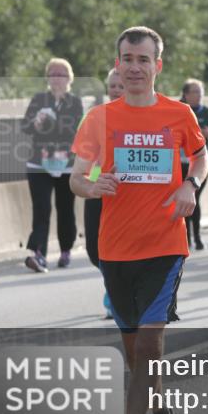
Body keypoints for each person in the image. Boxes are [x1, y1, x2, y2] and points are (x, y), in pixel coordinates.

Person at [70, 26, 208, 414]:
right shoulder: (99, 118)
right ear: (117, 64)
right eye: (127, 58)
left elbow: (201, 156)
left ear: (157, 66)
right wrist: (96, 184)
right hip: (115, 248)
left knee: (150, 341)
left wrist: (190, 183)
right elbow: (78, 177)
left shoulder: (179, 113)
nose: (134, 67)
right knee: (135, 352)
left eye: (143, 59)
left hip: (166, 244)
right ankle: (164, 413)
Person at [22, 57, 84, 272]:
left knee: (65, 209)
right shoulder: (39, 99)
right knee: (42, 208)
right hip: (39, 164)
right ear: (47, 78)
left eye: (61, 74)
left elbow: (77, 131)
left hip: (66, 164)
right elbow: (25, 127)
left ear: (70, 78)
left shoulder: (75, 103)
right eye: (53, 74)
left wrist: (55, 123)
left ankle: (66, 249)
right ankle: (38, 254)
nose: (57, 78)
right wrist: (36, 122)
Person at [83, 68, 124, 319]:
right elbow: (82, 153)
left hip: (127, 192)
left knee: (120, 247)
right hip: (98, 186)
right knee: (93, 249)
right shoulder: (95, 117)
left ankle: (115, 294)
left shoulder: (143, 118)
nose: (116, 90)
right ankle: (114, 284)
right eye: (112, 85)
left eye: (120, 85)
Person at [179, 79, 208, 250]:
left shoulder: (207, 112)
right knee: (184, 198)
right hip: (180, 161)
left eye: (201, 91)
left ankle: (197, 237)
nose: (199, 95)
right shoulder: (178, 110)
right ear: (186, 94)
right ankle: (186, 237)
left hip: (201, 162)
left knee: (195, 197)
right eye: (195, 91)